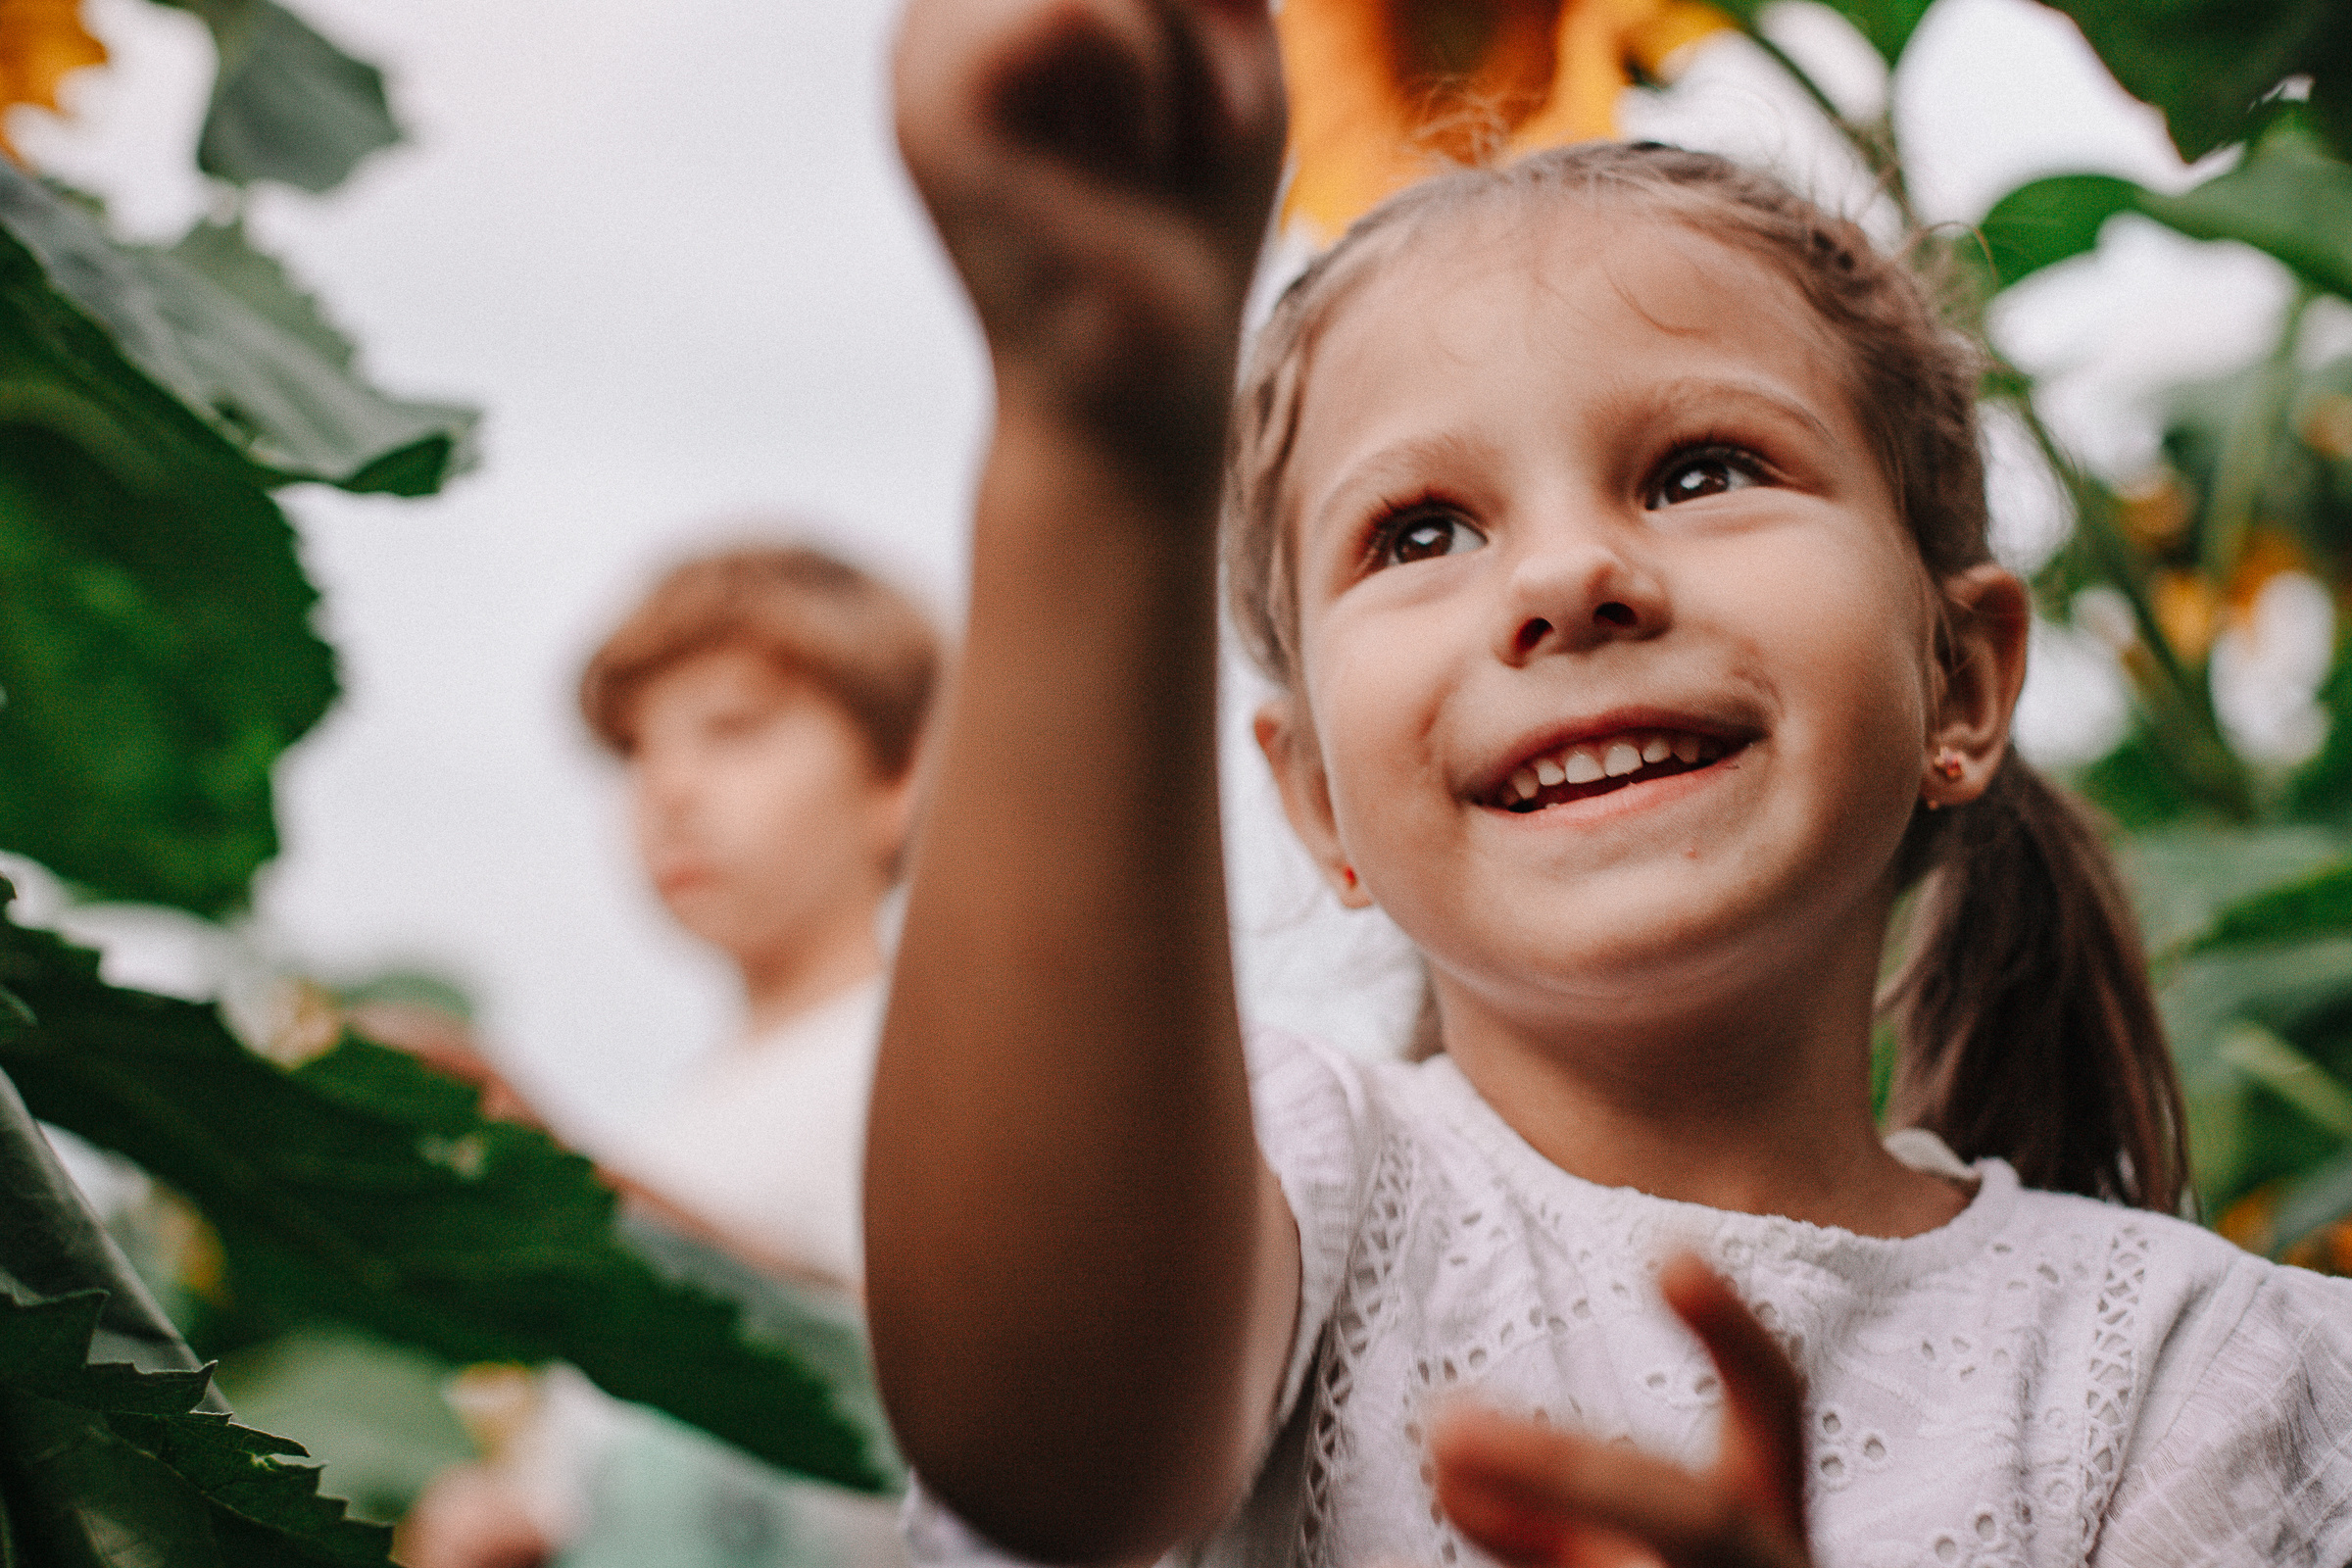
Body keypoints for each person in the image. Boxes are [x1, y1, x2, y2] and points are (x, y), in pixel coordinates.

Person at [862, 4, 2352, 1565]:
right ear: (1315, 806)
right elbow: (1047, 1448)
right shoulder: (1297, 1198)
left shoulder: (2203, 1375)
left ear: (1959, 681)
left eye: (1703, 469)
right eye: (1422, 531)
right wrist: (1097, 440)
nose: (1571, 576)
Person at [399, 542, 938, 1568]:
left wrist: (557, 1170)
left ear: (899, 772)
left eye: (733, 732)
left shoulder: (933, 1056)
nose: (671, 789)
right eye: (638, 752)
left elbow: (961, 1360)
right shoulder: (678, 1119)